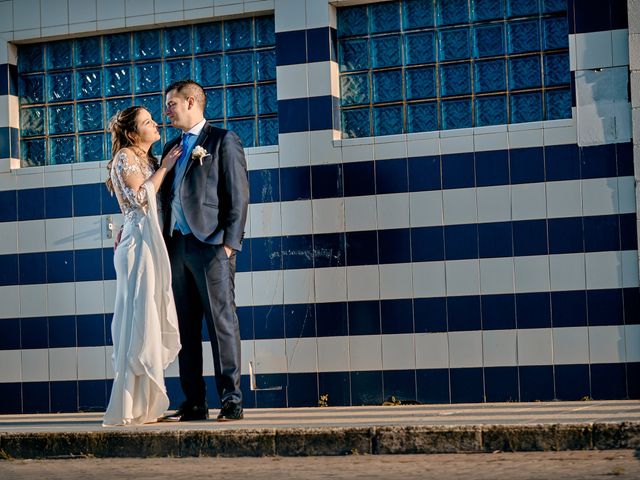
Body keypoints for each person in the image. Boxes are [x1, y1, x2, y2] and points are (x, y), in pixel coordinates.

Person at [158, 80, 249, 422]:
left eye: (171, 104)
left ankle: (231, 400)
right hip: (177, 247)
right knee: (186, 329)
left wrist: (228, 244)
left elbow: (238, 197)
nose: (166, 111)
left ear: (191, 101)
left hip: (211, 246)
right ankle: (194, 402)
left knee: (221, 323)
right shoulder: (171, 146)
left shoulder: (222, 141)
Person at [102, 106, 183, 426]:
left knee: (149, 319)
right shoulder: (125, 157)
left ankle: (147, 406)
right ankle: (129, 406)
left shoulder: (148, 160)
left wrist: (160, 167)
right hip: (137, 247)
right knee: (137, 321)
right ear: (134, 134)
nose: (156, 124)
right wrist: (164, 168)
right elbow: (138, 197)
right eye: (148, 122)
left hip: (149, 242)